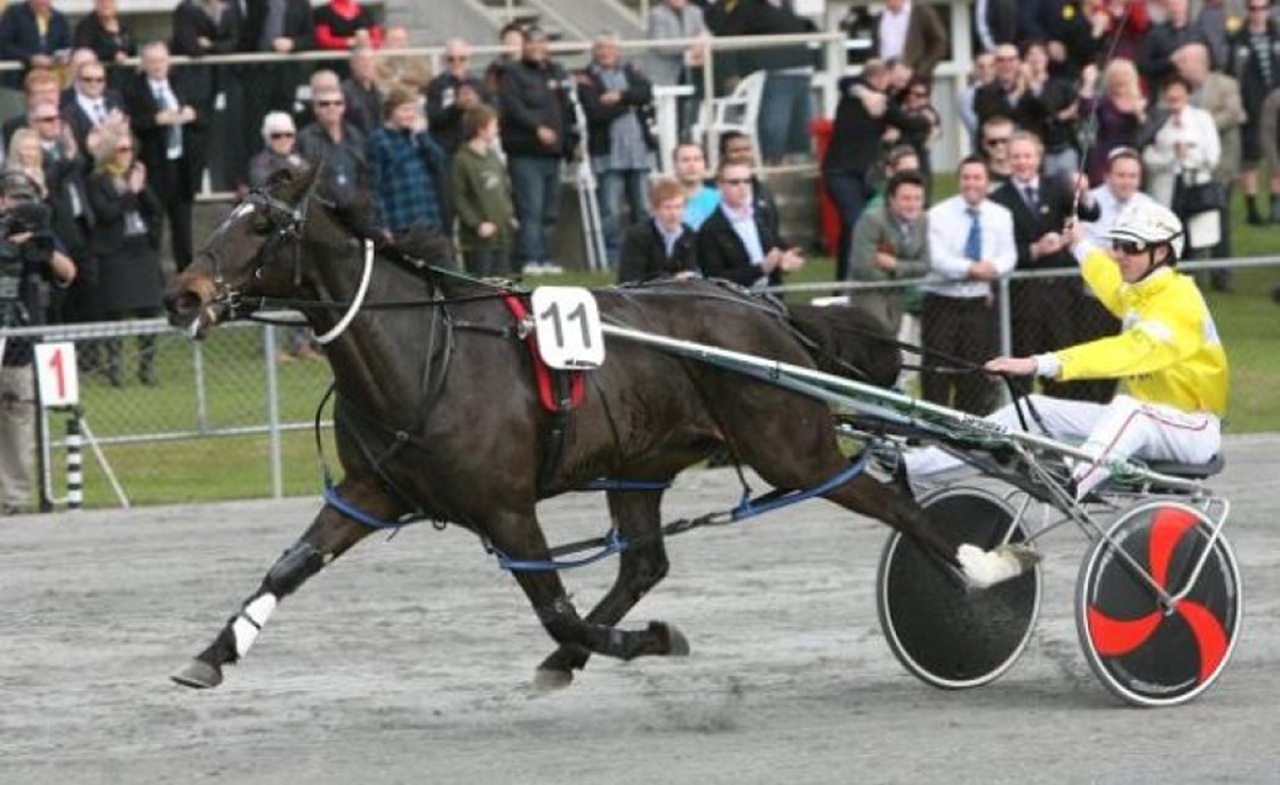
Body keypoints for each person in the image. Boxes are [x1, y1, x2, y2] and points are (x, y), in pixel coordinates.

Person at [904, 201, 1228, 507]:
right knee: (1031, 410)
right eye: (1117, 245)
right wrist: (1079, 243)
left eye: (1131, 247)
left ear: (1161, 252)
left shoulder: (1181, 302)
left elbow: (1124, 353)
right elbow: (1107, 277)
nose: (1118, 254)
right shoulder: (1140, 290)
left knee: (1130, 409)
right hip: (1149, 421)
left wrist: (1038, 364)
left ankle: (1074, 482)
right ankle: (916, 471)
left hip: (1193, 428)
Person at [990, 131, 1104, 401]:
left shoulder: (1057, 186)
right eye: (1016, 156)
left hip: (1062, 298)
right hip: (1023, 300)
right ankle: (1022, 432)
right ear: (1008, 160)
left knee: (1061, 368)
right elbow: (1001, 251)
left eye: (1028, 156)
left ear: (1038, 158)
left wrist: (1085, 192)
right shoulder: (998, 200)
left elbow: (1090, 213)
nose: (1022, 162)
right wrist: (1034, 250)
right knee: (1022, 373)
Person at [0, 171, 76, 515]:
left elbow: (68, 272)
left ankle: (14, 498)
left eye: (26, 199)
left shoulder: (39, 237)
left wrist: (39, 248)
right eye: (14, 199)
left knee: (18, 419)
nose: (19, 207)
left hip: (19, 343)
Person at [921, 155, 1016, 415]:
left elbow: (1009, 255)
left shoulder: (1001, 215)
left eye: (977, 178)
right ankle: (932, 435)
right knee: (937, 374)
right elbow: (936, 257)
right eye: (966, 178)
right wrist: (970, 268)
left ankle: (967, 439)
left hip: (978, 305)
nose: (971, 183)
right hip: (942, 303)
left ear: (987, 182)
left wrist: (992, 268)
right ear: (958, 181)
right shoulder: (938, 214)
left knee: (974, 374)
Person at [823, 58, 929, 281]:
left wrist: (925, 119)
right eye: (897, 78)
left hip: (866, 176)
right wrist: (866, 94)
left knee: (852, 228)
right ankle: (858, 278)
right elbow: (845, 81)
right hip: (840, 173)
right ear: (882, 75)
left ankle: (845, 282)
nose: (900, 85)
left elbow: (908, 124)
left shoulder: (887, 101)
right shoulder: (860, 92)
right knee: (858, 222)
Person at [86, 127, 163, 386]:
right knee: (115, 312)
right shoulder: (97, 180)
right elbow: (106, 214)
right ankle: (115, 367)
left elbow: (156, 210)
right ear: (109, 152)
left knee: (150, 310)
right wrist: (130, 191)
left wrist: (141, 189)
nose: (127, 154)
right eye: (121, 149)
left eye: (129, 149)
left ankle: (147, 367)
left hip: (141, 250)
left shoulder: (136, 176)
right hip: (115, 252)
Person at [498, 26, 573, 276]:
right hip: (525, 152)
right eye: (532, 42)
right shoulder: (512, 73)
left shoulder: (555, 72)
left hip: (553, 153)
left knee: (550, 212)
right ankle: (529, 259)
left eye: (542, 42)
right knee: (531, 208)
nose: (537, 47)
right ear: (524, 45)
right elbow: (512, 106)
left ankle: (545, 258)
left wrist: (571, 141)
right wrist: (536, 127)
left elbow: (566, 109)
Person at [578, 31, 657, 270]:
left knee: (642, 209)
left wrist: (619, 96)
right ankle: (611, 262)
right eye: (600, 47)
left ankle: (646, 258)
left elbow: (646, 92)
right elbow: (595, 111)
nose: (605, 52)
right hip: (608, 154)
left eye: (610, 47)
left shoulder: (631, 70)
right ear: (594, 51)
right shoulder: (587, 77)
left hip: (639, 152)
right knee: (610, 212)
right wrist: (628, 105)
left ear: (617, 49)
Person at [125, 41, 204, 275]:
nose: (158, 66)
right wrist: (156, 120)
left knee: (183, 230)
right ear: (143, 64)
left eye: (161, 61)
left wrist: (193, 115)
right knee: (153, 227)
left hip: (181, 166)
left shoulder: (181, 84)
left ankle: (186, 278)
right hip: (153, 167)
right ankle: (151, 279)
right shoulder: (133, 90)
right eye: (152, 61)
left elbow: (204, 117)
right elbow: (132, 123)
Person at [1142, 75, 1222, 264]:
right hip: (1166, 185)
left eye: (1178, 92)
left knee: (1197, 234)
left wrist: (1188, 154)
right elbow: (1147, 156)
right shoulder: (1158, 120)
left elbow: (1212, 156)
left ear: (1187, 94)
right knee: (1168, 234)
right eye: (1170, 94)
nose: (1174, 98)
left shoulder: (1201, 118)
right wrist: (1171, 156)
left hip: (1194, 184)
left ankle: (1198, 274)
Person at [697, 157, 804, 288]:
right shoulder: (709, 230)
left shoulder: (761, 215)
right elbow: (714, 279)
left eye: (747, 181)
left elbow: (779, 245)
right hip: (736, 302)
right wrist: (761, 269)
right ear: (719, 185)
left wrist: (789, 257)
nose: (743, 187)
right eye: (734, 182)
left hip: (772, 298)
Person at [848, 169, 930, 337]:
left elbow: (925, 265)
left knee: (893, 342)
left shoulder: (923, 220)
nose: (913, 204)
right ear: (892, 199)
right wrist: (907, 272)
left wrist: (894, 265)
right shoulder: (871, 220)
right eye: (906, 199)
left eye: (917, 199)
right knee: (879, 341)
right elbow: (863, 267)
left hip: (898, 296)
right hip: (870, 295)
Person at [366, 87, 448, 237]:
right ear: (390, 111)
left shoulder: (417, 136)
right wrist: (381, 223)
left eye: (413, 110)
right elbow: (374, 186)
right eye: (404, 110)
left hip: (427, 218)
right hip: (399, 220)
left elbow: (439, 162)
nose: (410, 115)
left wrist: (422, 136)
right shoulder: (378, 139)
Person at [448, 104, 515, 279]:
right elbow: (458, 197)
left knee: (502, 281)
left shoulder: (493, 156)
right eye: (494, 126)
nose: (497, 130)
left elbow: (504, 189)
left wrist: (510, 214)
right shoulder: (462, 160)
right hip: (478, 238)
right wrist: (477, 224)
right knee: (481, 284)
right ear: (481, 129)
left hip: (501, 232)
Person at [1229, 1, 1280, 225]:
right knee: (1250, 158)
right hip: (1251, 104)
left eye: (1262, 8)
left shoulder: (1276, 34)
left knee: (1276, 154)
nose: (1258, 13)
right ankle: (1251, 208)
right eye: (1253, 8)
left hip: (1277, 102)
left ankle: (1275, 203)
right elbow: (1233, 72)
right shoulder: (1238, 38)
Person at [617, 176, 698, 284]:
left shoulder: (688, 234)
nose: (673, 214)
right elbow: (630, 278)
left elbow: (690, 270)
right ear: (655, 210)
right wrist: (672, 279)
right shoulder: (637, 236)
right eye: (667, 208)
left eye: (678, 207)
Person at [295, 86, 366, 208]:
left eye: (338, 103)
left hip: (355, 211)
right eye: (325, 104)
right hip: (322, 213)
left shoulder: (355, 135)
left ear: (344, 107)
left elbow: (365, 172)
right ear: (316, 108)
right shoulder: (305, 138)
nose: (332, 107)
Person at [425, 38, 491, 157]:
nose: (457, 63)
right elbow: (433, 118)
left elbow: (492, 113)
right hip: (447, 148)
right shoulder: (437, 84)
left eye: (462, 58)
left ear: (469, 60)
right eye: (451, 59)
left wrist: (476, 105)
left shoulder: (479, 84)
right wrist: (456, 106)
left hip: (474, 147)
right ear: (444, 61)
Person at [873, 0, 948, 80]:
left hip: (914, 79)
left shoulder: (921, 12)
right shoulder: (880, 16)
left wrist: (918, 71)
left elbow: (939, 43)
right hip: (885, 80)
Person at [72, 0, 134, 92]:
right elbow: (83, 52)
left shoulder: (125, 23)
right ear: (95, 3)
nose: (106, 5)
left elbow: (132, 48)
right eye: (102, 2)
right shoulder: (86, 26)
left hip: (126, 79)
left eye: (110, 2)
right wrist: (113, 54)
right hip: (100, 81)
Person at [671, 141, 718, 229]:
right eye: (685, 160)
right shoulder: (666, 201)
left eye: (697, 159)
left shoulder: (720, 200)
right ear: (674, 166)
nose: (692, 165)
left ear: (704, 164)